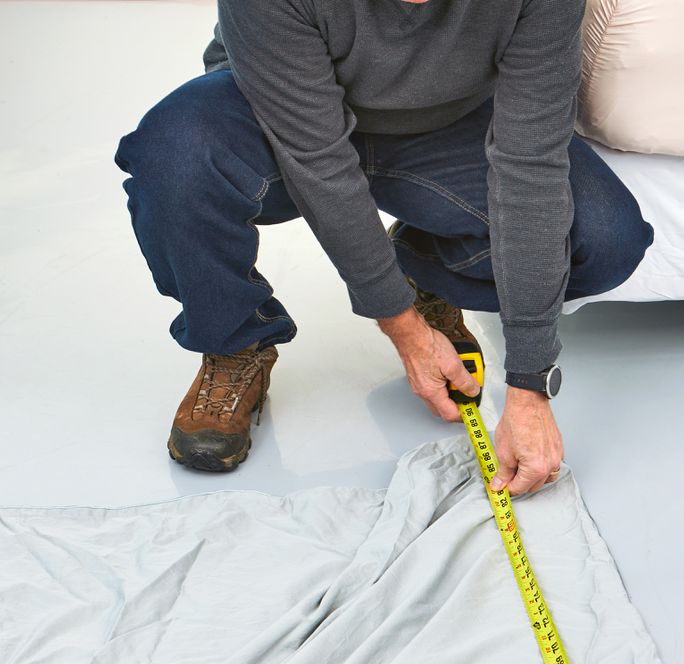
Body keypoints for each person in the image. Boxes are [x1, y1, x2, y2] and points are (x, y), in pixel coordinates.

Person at [115, 0, 653, 495]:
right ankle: (235, 342)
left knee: (604, 238)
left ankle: (425, 267)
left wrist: (529, 384)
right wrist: (405, 329)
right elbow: (318, 161)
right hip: (281, 117)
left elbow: (530, 167)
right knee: (175, 155)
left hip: (447, 124)